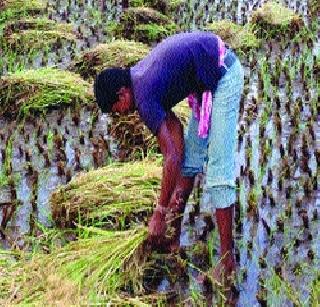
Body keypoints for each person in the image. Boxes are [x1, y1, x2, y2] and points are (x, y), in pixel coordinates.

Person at [94, 30, 244, 280]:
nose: (121, 114)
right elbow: (176, 135)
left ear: (122, 94)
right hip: (204, 83)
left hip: (224, 75)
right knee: (189, 162)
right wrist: (175, 186)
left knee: (218, 171)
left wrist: (160, 212)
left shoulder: (143, 97)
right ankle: (173, 238)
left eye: (117, 109)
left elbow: (170, 157)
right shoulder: (140, 79)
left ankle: (227, 264)